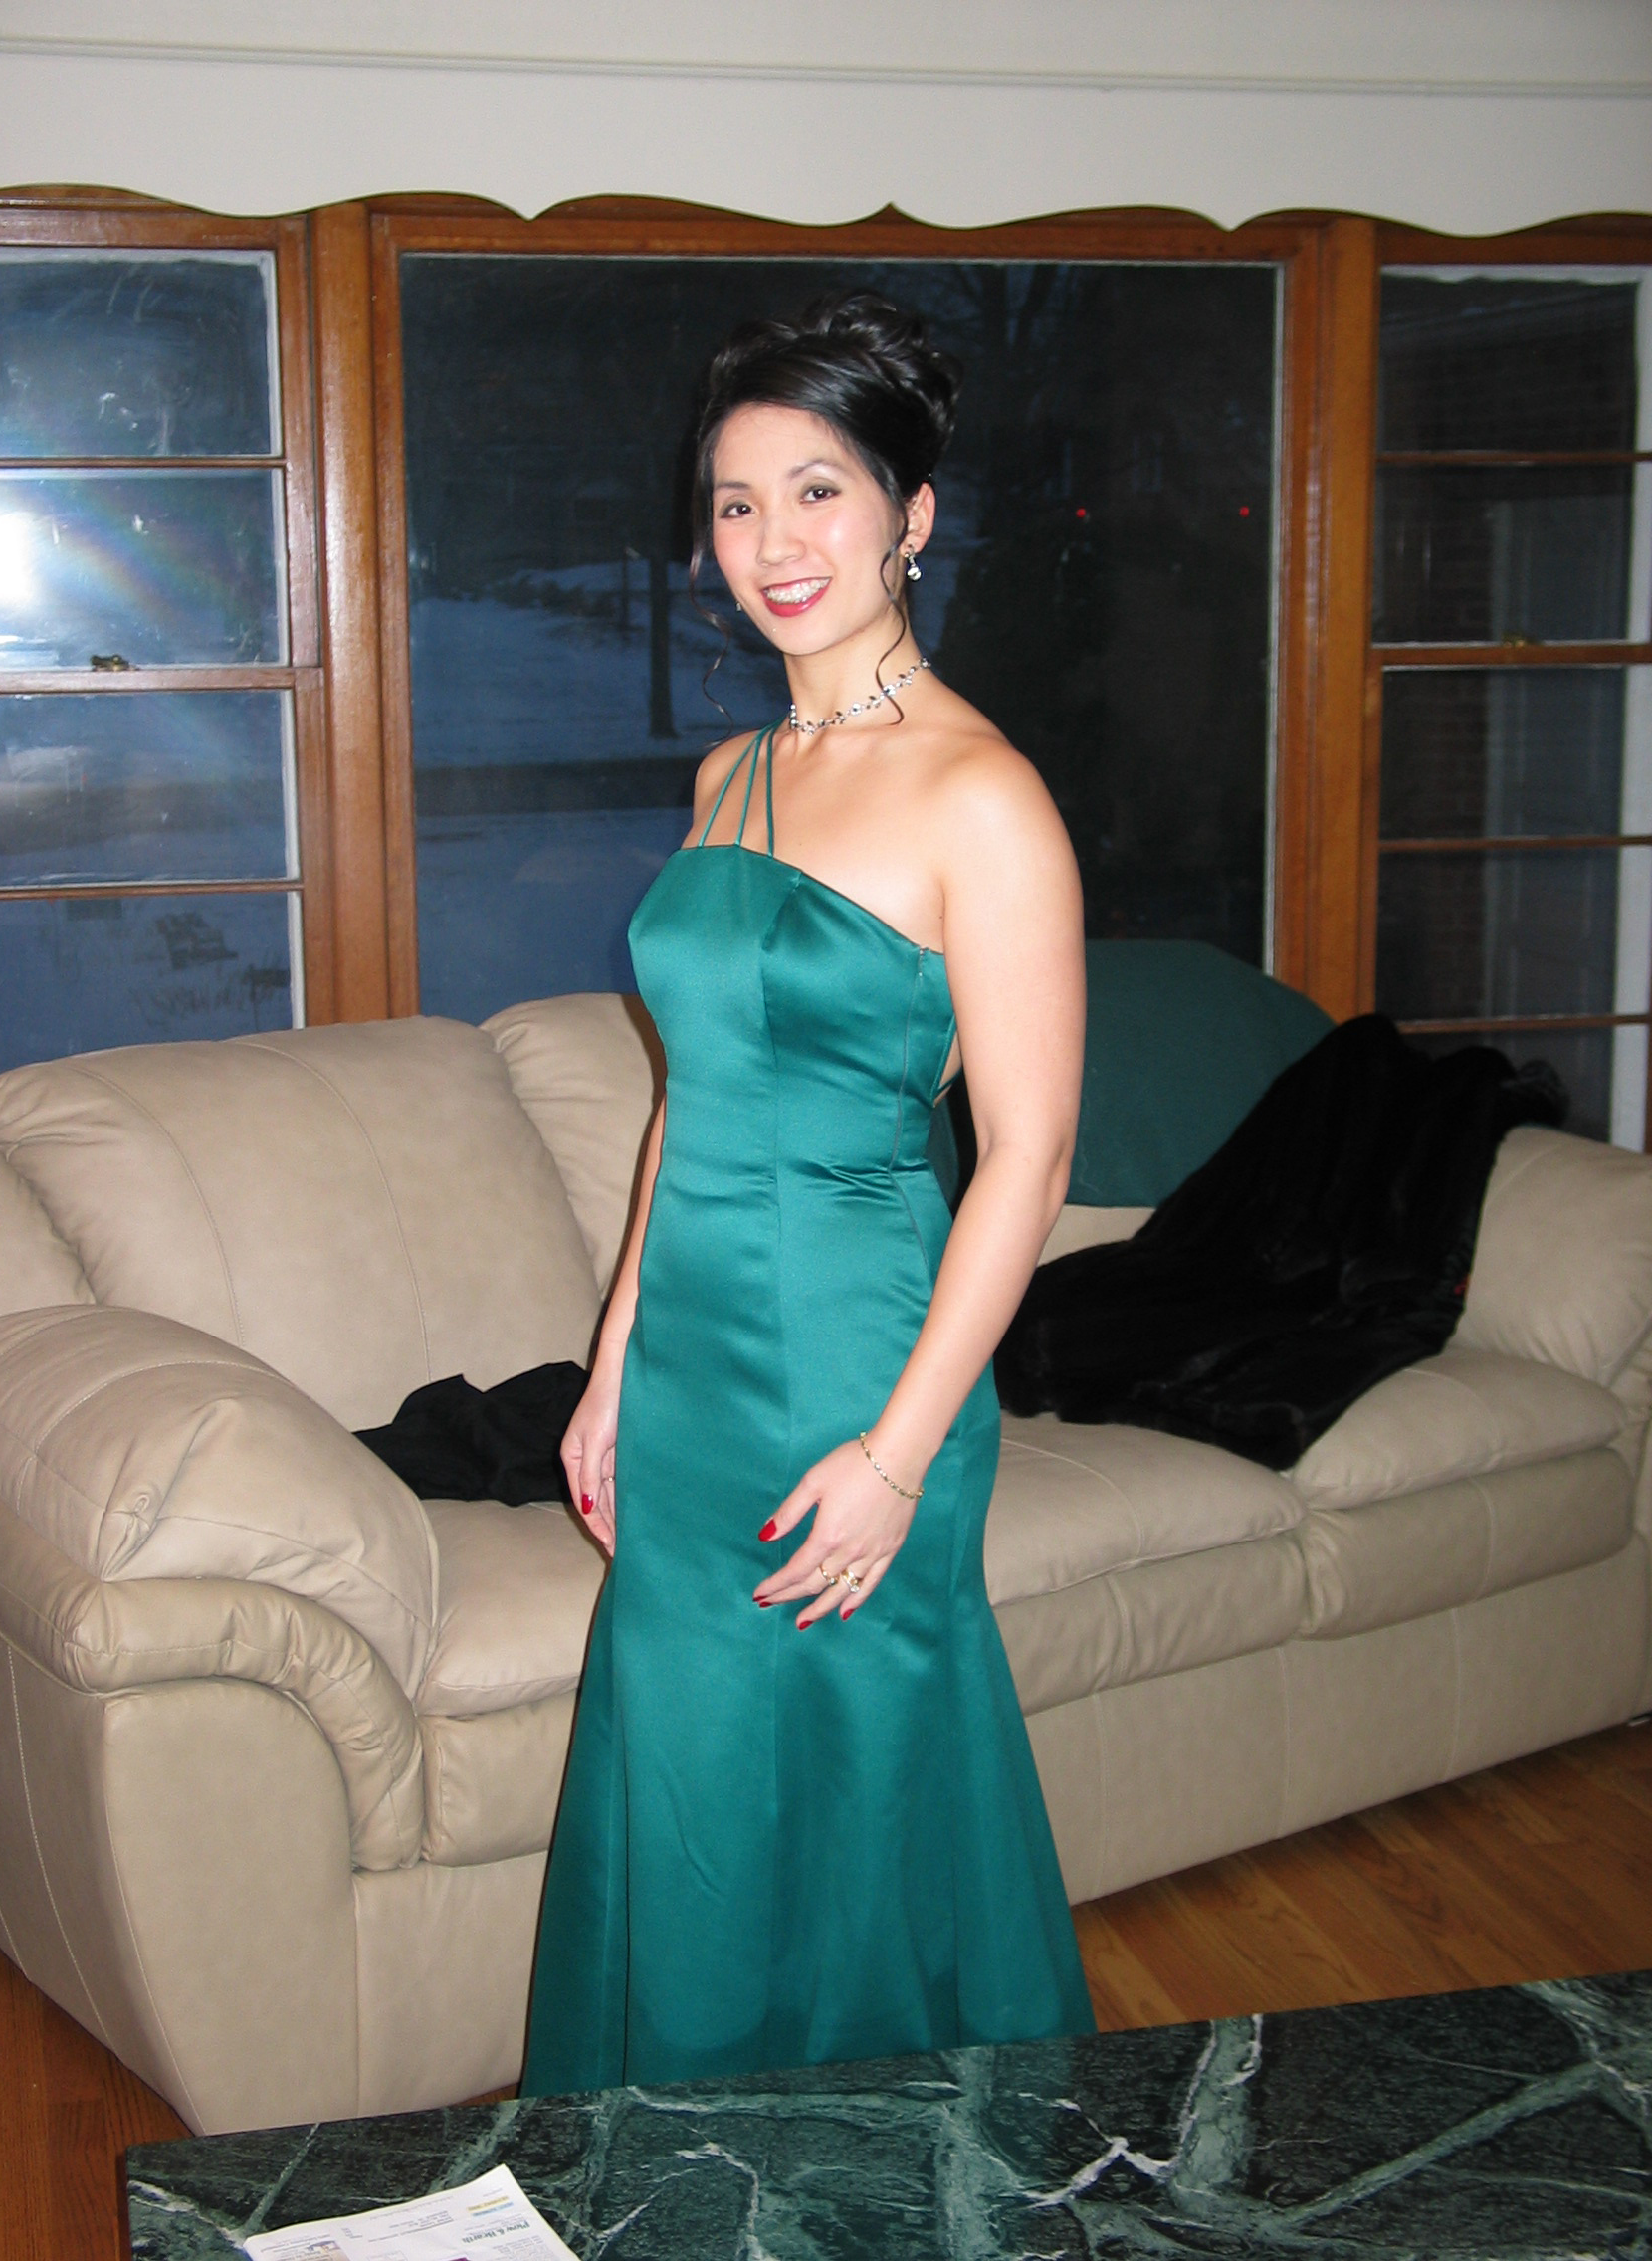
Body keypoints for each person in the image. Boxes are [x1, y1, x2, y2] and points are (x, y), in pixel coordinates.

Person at [522, 292, 1094, 2094]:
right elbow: (691, 1101)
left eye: (819, 490)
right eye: (737, 502)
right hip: (691, 1368)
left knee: (857, 1792)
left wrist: (900, 1457)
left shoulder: (984, 797)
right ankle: (683, 2160)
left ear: (912, 516)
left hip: (863, 1362)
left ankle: (890, 2176)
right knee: (688, 1771)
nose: (773, 541)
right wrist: (614, 1359)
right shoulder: (732, 773)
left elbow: (1029, 1158)